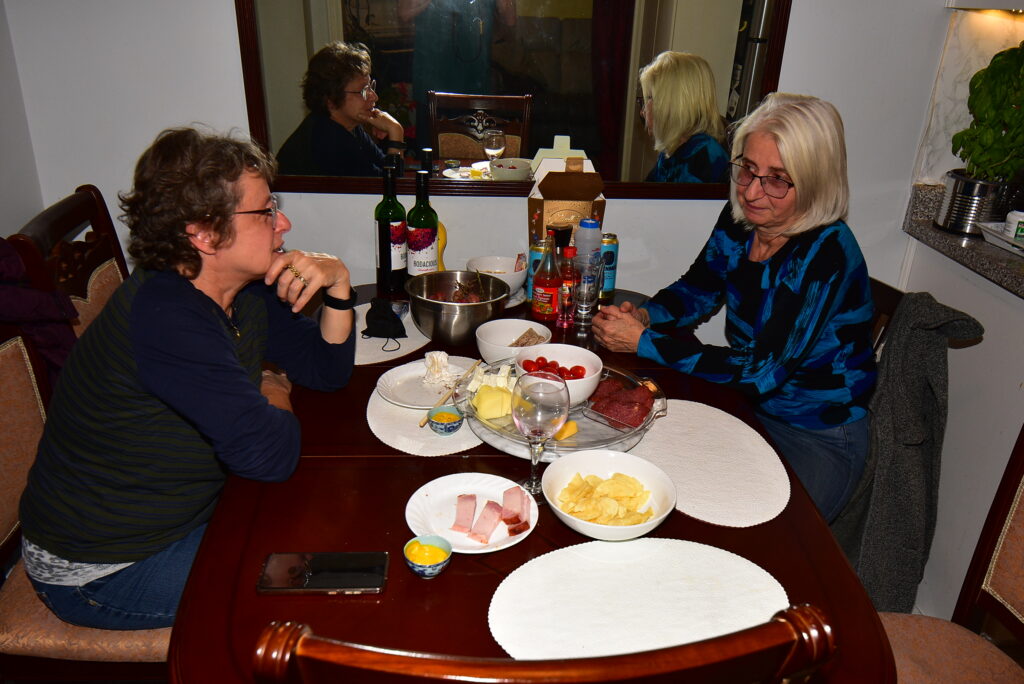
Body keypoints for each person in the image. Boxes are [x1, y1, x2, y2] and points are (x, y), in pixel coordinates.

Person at [18, 127, 356, 629]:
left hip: (184, 513)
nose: (283, 222)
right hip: (105, 568)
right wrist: (271, 387)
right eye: (266, 211)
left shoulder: (240, 288)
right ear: (204, 234)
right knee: (321, 583)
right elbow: (271, 455)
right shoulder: (167, 318)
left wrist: (340, 284)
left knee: (339, 527)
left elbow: (326, 372)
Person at [593, 93, 876, 523]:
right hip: (747, 408)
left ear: (815, 181)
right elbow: (699, 287)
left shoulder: (826, 253)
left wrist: (644, 342)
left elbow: (761, 372)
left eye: (777, 179)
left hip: (817, 434)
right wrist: (646, 317)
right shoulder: (744, 216)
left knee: (771, 540)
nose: (752, 191)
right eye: (747, 168)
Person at [398, 0, 516, 150]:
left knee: (475, 155)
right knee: (430, 154)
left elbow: (510, 19)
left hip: (474, 86)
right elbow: (404, 13)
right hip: (433, 86)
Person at [276, 41, 406, 177]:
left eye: (370, 87)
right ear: (331, 99)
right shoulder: (328, 141)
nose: (374, 96)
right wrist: (396, 131)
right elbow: (390, 185)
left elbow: (385, 168)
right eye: (363, 90)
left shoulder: (348, 126)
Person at [639, 51, 729, 184]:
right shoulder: (672, 151)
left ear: (672, 105)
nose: (642, 111)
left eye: (650, 98)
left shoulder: (703, 157)